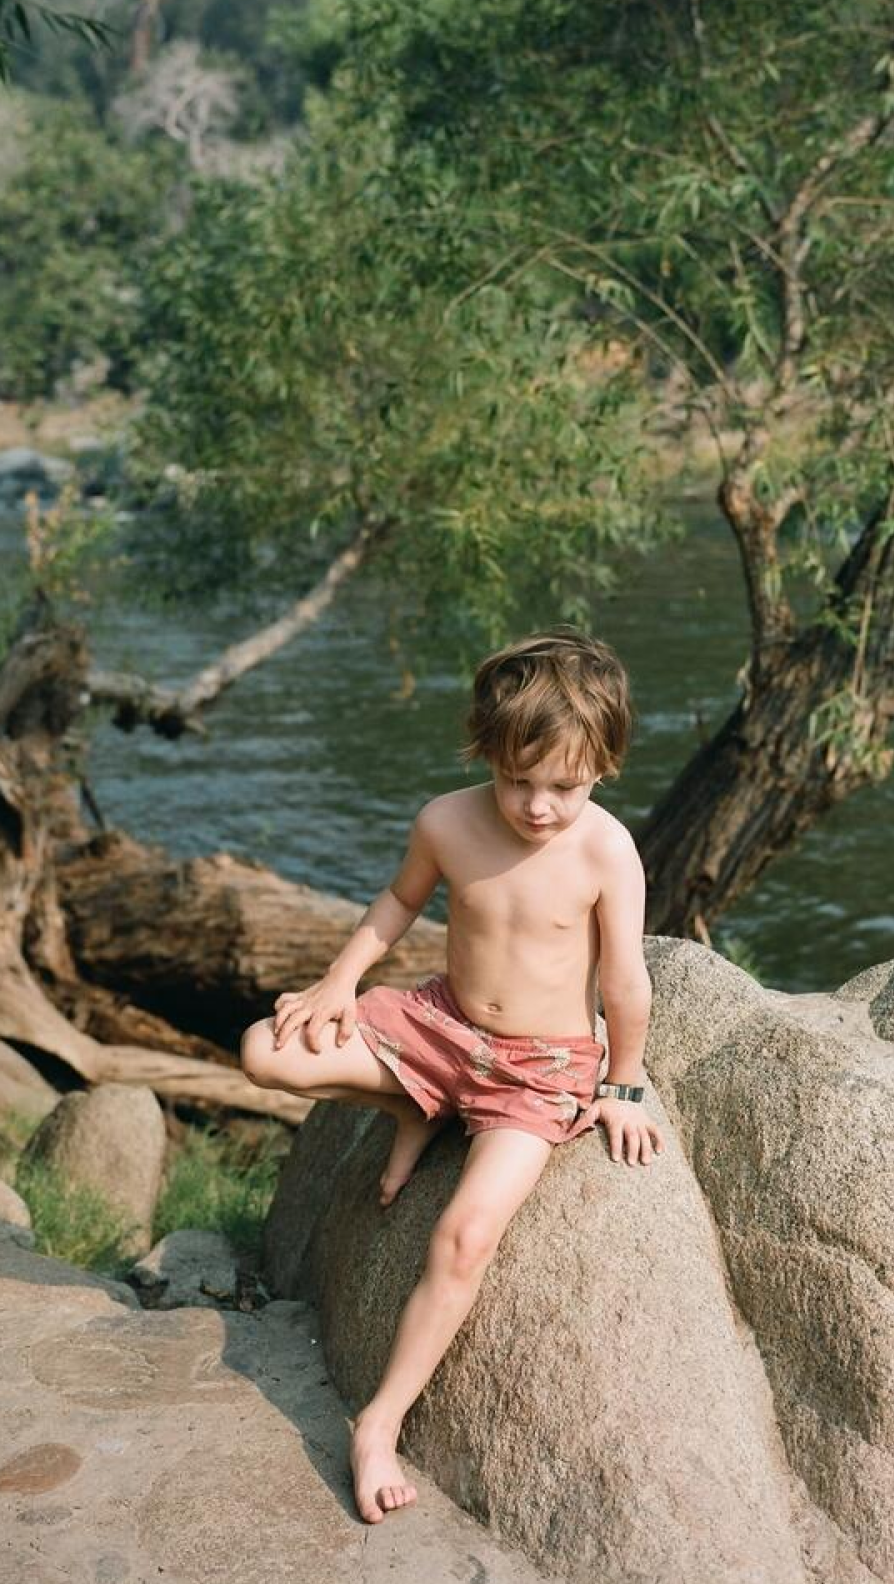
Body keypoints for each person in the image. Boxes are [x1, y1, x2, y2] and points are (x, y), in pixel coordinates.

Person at [239, 627, 663, 1525]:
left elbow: (625, 978)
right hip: (442, 1027)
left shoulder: (605, 851)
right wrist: (340, 980)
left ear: (605, 767)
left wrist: (623, 1083)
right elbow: (398, 902)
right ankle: (415, 1102)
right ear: (487, 751)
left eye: (565, 786)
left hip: (540, 1072)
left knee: (465, 1234)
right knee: (263, 1049)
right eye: (520, 781)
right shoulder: (446, 820)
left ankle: (379, 1422)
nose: (539, 807)